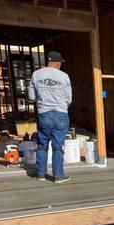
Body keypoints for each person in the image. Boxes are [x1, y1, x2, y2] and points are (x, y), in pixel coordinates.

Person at [29, 51, 72, 183]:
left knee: (42, 144)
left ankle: (40, 174)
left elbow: (31, 97)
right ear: (58, 63)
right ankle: (58, 175)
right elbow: (68, 98)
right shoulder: (64, 76)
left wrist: (43, 102)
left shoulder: (36, 74)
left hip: (43, 114)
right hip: (60, 114)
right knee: (58, 146)